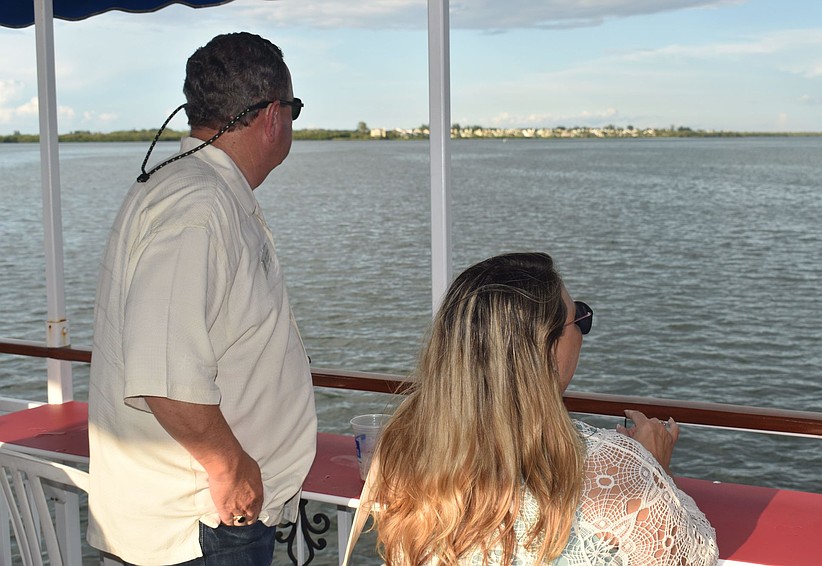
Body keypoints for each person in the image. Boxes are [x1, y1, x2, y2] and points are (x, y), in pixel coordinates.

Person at [87, 32, 316, 566]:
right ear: (272, 116)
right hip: (204, 528)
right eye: (295, 109)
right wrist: (230, 470)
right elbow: (163, 371)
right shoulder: (200, 205)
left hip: (209, 519)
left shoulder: (190, 188)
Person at [369, 252, 719, 565]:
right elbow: (690, 557)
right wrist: (652, 471)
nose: (582, 330)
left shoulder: (405, 446)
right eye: (579, 319)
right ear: (546, 350)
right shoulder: (610, 469)